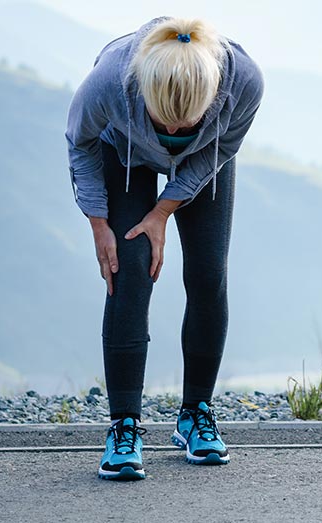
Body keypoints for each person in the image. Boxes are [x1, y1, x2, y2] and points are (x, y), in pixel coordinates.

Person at [65, 15, 264, 481]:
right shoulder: (109, 82)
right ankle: (124, 426)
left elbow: (225, 149)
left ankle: (196, 413)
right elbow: (80, 143)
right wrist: (98, 222)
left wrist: (163, 211)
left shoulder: (244, 84)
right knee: (128, 266)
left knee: (208, 272)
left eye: (185, 124)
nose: (173, 132)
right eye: (163, 122)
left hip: (206, 159)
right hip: (123, 152)